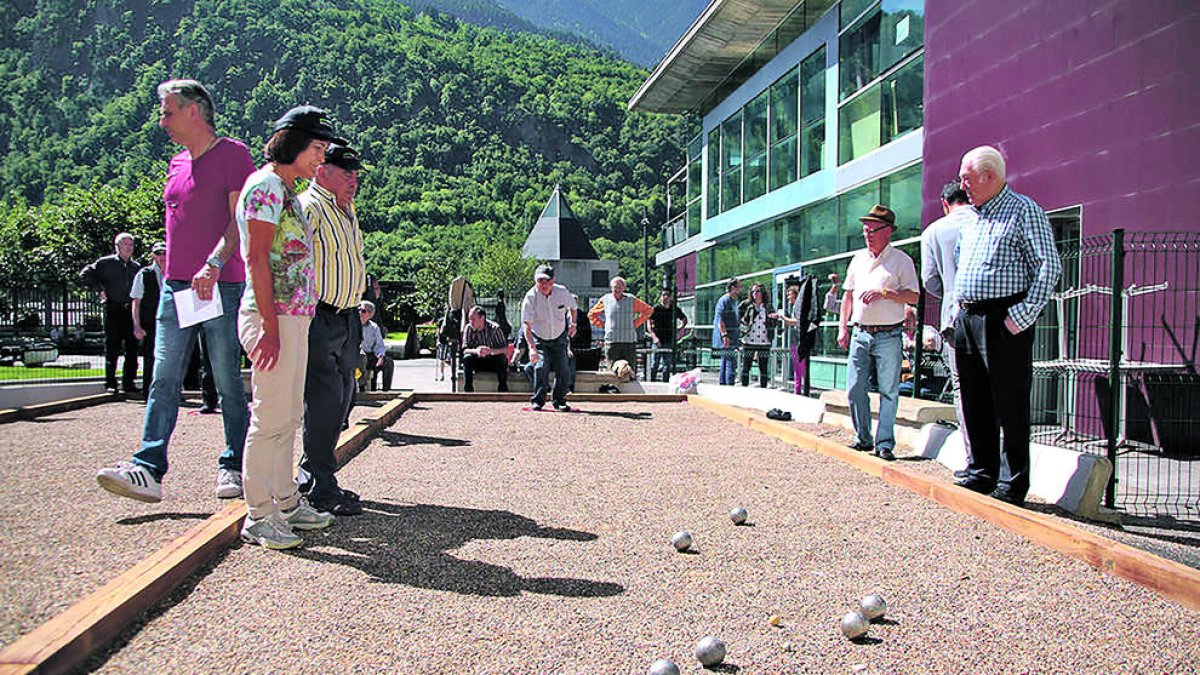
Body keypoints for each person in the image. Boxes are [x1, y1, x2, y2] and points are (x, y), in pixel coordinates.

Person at [96, 79, 252, 504]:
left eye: (167, 112)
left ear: (193, 111)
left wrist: (214, 262)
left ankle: (235, 465)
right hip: (176, 288)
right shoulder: (176, 164)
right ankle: (148, 467)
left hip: (220, 284)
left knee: (225, 381)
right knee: (163, 377)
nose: (161, 121)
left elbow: (239, 221)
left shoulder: (233, 155)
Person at [235, 105, 340, 549]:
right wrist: (270, 328)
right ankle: (259, 513)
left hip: (292, 317)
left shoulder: (285, 189)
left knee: (288, 416)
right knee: (270, 416)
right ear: (293, 143)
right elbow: (257, 257)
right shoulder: (265, 187)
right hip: (271, 316)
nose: (321, 158)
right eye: (317, 149)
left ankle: (286, 500)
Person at [952, 145, 1062, 507]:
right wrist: (957, 310)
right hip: (968, 318)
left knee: (1009, 401)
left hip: (1003, 318)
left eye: (967, 177)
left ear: (989, 176)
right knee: (974, 399)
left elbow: (1048, 266)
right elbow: (961, 266)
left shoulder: (1023, 210)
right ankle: (981, 471)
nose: (961, 184)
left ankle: (1012, 482)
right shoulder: (970, 217)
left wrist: (1023, 315)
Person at [297, 141, 367, 517]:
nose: (353, 180)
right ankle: (322, 487)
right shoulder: (311, 208)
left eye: (355, 174)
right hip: (321, 315)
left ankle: (314, 474)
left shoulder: (346, 210)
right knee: (324, 402)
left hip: (348, 316)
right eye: (345, 172)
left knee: (342, 399)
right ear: (322, 171)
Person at [837, 205, 920, 461]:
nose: (868, 234)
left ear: (888, 232)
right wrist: (843, 327)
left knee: (888, 390)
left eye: (873, 230)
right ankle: (862, 437)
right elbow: (847, 296)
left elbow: (914, 295)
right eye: (865, 229)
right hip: (860, 333)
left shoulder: (901, 261)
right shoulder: (858, 259)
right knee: (854, 388)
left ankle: (884, 443)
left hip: (889, 335)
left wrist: (886, 293)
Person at [920, 178, 975, 476]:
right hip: (991, 315)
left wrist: (952, 290)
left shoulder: (934, 232)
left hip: (954, 316)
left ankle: (973, 457)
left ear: (944, 203)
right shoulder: (983, 221)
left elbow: (931, 281)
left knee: (963, 388)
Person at [80, 232, 141, 394]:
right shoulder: (105, 263)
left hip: (130, 311)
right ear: (118, 247)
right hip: (113, 309)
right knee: (112, 347)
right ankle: (110, 382)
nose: (129, 248)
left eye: (131, 245)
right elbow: (85, 274)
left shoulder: (136, 267)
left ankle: (129, 382)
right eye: (126, 244)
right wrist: (100, 289)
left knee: (132, 348)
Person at [520, 264, 577, 411]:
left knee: (564, 369)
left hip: (559, 336)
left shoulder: (562, 292)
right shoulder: (531, 297)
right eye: (540, 281)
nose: (543, 284)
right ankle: (538, 400)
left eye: (547, 281)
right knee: (540, 367)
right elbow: (526, 324)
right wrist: (532, 348)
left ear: (553, 280)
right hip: (539, 337)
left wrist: (573, 323)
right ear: (535, 281)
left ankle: (559, 400)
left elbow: (573, 307)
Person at [588, 276, 653, 374]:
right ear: (611, 288)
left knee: (630, 370)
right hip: (611, 341)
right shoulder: (605, 299)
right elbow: (592, 314)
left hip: (629, 341)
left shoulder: (631, 299)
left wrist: (635, 323)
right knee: (611, 371)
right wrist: (603, 325)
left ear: (624, 288)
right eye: (615, 287)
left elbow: (648, 310)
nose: (617, 289)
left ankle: (630, 389)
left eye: (619, 287)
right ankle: (612, 388)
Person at [773, 275, 821, 396]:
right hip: (795, 339)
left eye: (790, 294)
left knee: (800, 366)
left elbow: (796, 322)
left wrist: (782, 316)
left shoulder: (800, 307)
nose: (788, 297)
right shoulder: (795, 307)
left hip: (801, 340)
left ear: (796, 295)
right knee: (797, 367)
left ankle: (800, 390)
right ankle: (797, 389)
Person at [130, 241, 166, 392]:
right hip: (150, 321)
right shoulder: (144, 274)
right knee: (150, 357)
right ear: (153, 255)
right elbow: (136, 302)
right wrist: (137, 326)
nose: (162, 257)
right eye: (158, 254)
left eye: (164, 253)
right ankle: (148, 390)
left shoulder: (175, 273)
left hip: (171, 322)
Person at [462, 305, 509, 392]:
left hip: (492, 360)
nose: (471, 322)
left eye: (473, 319)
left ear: (482, 318)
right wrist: (476, 351)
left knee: (502, 360)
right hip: (477, 360)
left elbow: (506, 349)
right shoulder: (468, 328)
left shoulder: (494, 328)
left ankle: (502, 390)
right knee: (467, 358)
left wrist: (491, 351)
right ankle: (468, 391)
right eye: (469, 319)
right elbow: (465, 349)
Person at [739, 282, 778, 388]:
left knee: (763, 367)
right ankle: (744, 388)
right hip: (749, 340)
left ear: (762, 293)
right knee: (746, 366)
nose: (755, 294)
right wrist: (742, 327)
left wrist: (774, 319)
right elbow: (737, 317)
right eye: (753, 291)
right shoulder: (746, 305)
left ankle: (763, 389)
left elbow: (774, 323)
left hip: (764, 341)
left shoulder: (768, 307)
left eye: (757, 291)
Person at [648, 289, 688, 382]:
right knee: (654, 364)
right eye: (663, 295)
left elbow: (684, 319)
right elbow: (649, 325)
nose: (666, 297)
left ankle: (665, 384)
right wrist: (654, 337)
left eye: (668, 295)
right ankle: (652, 382)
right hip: (657, 340)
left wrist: (679, 329)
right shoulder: (655, 309)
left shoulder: (674, 309)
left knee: (667, 365)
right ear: (660, 297)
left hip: (669, 339)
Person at [712, 277, 743, 386]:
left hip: (732, 336)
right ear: (733, 288)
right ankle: (729, 386)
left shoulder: (734, 301)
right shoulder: (724, 300)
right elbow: (720, 319)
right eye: (739, 286)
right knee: (731, 363)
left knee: (725, 362)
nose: (741, 289)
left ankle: (723, 385)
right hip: (726, 337)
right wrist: (724, 335)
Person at [358, 300, 393, 392]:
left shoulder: (374, 327)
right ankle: (362, 388)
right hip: (355, 355)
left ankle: (386, 391)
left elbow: (379, 344)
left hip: (370, 355)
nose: (361, 313)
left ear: (371, 314)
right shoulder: (352, 324)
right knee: (362, 357)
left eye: (365, 311)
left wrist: (380, 356)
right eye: (361, 310)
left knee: (388, 362)